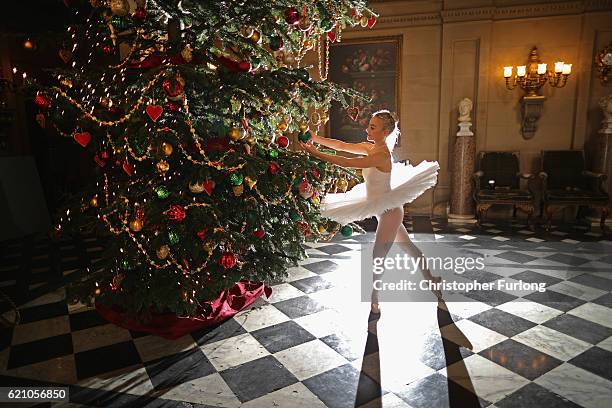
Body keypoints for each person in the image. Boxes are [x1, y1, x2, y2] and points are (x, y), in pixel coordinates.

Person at [299, 110, 442, 314]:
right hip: (379, 206)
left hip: (390, 210)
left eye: (373, 127)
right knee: (409, 248)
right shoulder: (370, 147)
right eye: (369, 125)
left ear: (385, 132)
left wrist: (315, 153)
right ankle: (432, 280)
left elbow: (347, 162)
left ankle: (375, 296)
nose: (367, 129)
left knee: (378, 254)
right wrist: (315, 138)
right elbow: (342, 146)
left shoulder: (382, 155)